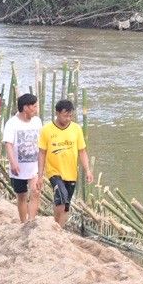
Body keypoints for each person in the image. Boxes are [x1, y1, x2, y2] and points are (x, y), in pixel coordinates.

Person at [40, 96, 91, 229]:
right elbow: (42, 152)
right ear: (57, 113)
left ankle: (58, 228)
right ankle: (56, 228)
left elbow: (82, 151)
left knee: (66, 205)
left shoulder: (76, 129)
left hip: (71, 172)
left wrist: (88, 170)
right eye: (65, 116)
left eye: (70, 116)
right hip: (54, 171)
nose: (68, 119)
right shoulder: (47, 130)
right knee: (61, 198)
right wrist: (40, 174)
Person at [0, 92, 44, 225]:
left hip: (34, 166)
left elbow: (42, 142)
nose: (36, 110)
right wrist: (13, 163)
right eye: (34, 107)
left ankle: (31, 221)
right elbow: (8, 144)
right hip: (18, 167)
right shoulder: (12, 123)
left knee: (35, 192)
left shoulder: (37, 121)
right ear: (26, 108)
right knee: (22, 196)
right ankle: (23, 221)